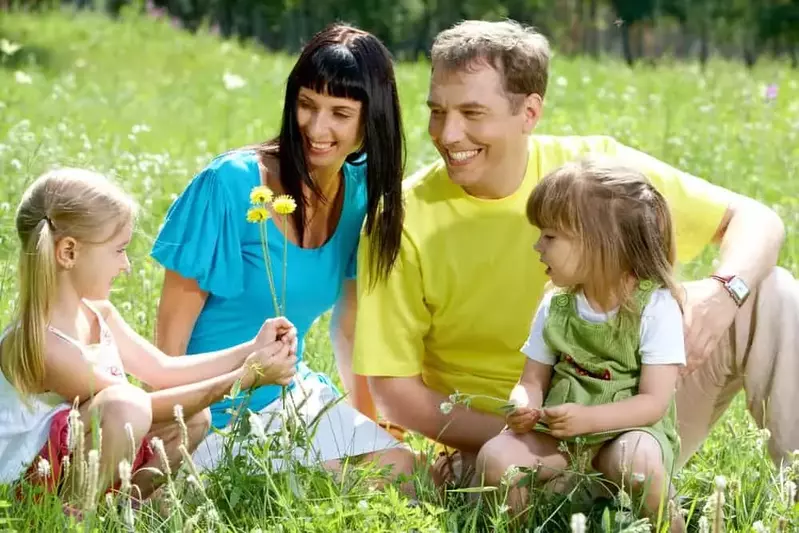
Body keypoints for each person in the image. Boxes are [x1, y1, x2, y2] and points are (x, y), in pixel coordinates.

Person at [352, 18, 797, 497]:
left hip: (634, 423)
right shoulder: (398, 219)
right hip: (511, 447)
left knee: (772, 293)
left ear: (529, 112)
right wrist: (534, 430)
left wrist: (721, 292)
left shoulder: (596, 173)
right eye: (437, 111)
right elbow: (396, 396)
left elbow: (758, 219)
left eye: (472, 112)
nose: (448, 133)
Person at [151, 23, 414, 480]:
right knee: (321, 480)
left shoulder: (360, 194)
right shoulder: (230, 184)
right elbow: (169, 341)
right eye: (307, 105)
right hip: (207, 412)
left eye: (340, 112)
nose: (317, 128)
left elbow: (348, 329)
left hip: (288, 397)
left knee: (403, 470)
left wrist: (372, 426)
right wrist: (168, 433)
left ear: (371, 121)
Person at [0, 168, 298, 510]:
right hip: (29, 489)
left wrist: (251, 349)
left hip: (82, 458)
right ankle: (72, 517)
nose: (126, 265)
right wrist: (245, 377)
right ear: (68, 252)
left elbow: (163, 370)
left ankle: (124, 510)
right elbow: (138, 408)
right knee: (126, 404)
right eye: (118, 250)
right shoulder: (41, 343)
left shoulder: (99, 314)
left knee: (193, 419)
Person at [476, 157, 687, 528]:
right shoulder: (557, 305)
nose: (537, 246)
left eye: (550, 236)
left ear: (601, 244)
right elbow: (532, 379)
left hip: (626, 433)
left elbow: (654, 402)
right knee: (497, 458)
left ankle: (671, 525)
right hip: (561, 435)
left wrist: (590, 420)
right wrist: (522, 405)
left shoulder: (655, 307)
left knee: (637, 465)